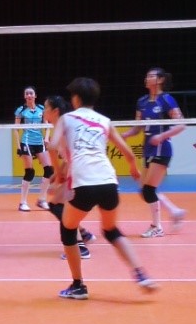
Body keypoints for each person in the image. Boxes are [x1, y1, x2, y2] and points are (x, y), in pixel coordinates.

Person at [49, 77, 158, 300]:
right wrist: (134, 169)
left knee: (68, 229)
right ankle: (140, 273)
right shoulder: (104, 120)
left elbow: (51, 146)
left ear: (76, 99)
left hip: (84, 182)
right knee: (111, 230)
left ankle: (78, 285)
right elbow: (128, 152)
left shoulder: (66, 118)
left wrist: (58, 173)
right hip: (109, 181)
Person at [121, 68, 187, 237]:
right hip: (148, 148)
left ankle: (157, 227)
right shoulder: (142, 101)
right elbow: (138, 127)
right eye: (147, 76)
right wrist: (126, 135)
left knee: (149, 190)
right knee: (144, 191)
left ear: (160, 80)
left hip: (162, 149)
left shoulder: (166, 99)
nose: (147, 78)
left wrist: (162, 136)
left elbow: (181, 125)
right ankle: (175, 211)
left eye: (151, 76)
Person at [42, 95, 95, 260]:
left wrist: (59, 175)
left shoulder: (63, 126)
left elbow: (51, 148)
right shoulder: (68, 124)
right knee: (59, 204)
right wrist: (58, 174)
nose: (43, 111)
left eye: (46, 107)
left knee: (58, 205)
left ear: (55, 111)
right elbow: (67, 158)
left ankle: (80, 246)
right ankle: (83, 233)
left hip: (81, 172)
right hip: (83, 170)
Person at [14, 86, 53, 211]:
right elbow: (15, 129)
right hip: (26, 142)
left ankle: (42, 199)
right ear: (24, 96)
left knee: (49, 170)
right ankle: (22, 203)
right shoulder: (21, 110)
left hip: (39, 142)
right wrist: (18, 146)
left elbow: (47, 125)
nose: (29, 95)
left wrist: (46, 138)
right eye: (27, 93)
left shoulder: (42, 109)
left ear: (35, 96)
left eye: (31, 93)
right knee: (30, 172)